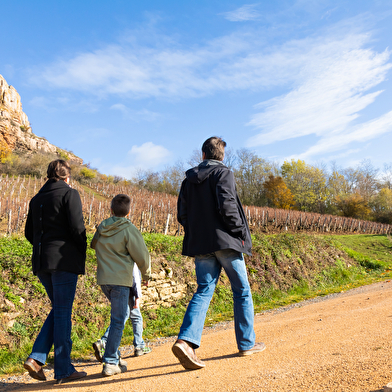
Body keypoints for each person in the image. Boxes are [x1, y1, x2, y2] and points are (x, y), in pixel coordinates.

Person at [172, 136, 266, 370]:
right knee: (241, 291)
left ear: (202, 154)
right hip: (226, 241)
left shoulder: (188, 181)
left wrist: (197, 232)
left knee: (204, 290)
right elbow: (228, 206)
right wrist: (239, 232)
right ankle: (246, 343)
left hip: (201, 244)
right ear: (222, 156)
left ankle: (186, 342)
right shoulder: (224, 174)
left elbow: (182, 215)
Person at [24, 159, 87, 384]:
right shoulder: (70, 194)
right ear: (67, 177)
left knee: (59, 309)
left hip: (41, 262)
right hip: (64, 260)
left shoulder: (36, 199)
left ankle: (37, 358)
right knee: (62, 312)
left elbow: (29, 233)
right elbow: (77, 228)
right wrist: (81, 251)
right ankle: (63, 369)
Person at [91, 194, 151, 377]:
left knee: (120, 315)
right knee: (119, 319)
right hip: (120, 280)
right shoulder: (129, 229)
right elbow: (142, 254)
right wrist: (146, 273)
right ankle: (110, 362)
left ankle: (115, 356)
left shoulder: (102, 227)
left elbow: (94, 245)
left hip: (104, 280)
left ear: (110, 210)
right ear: (129, 212)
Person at [92, 264, 152, 361]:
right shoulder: (130, 254)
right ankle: (105, 341)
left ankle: (139, 345)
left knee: (133, 315)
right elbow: (135, 275)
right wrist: (138, 296)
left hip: (109, 281)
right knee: (125, 316)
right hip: (126, 286)